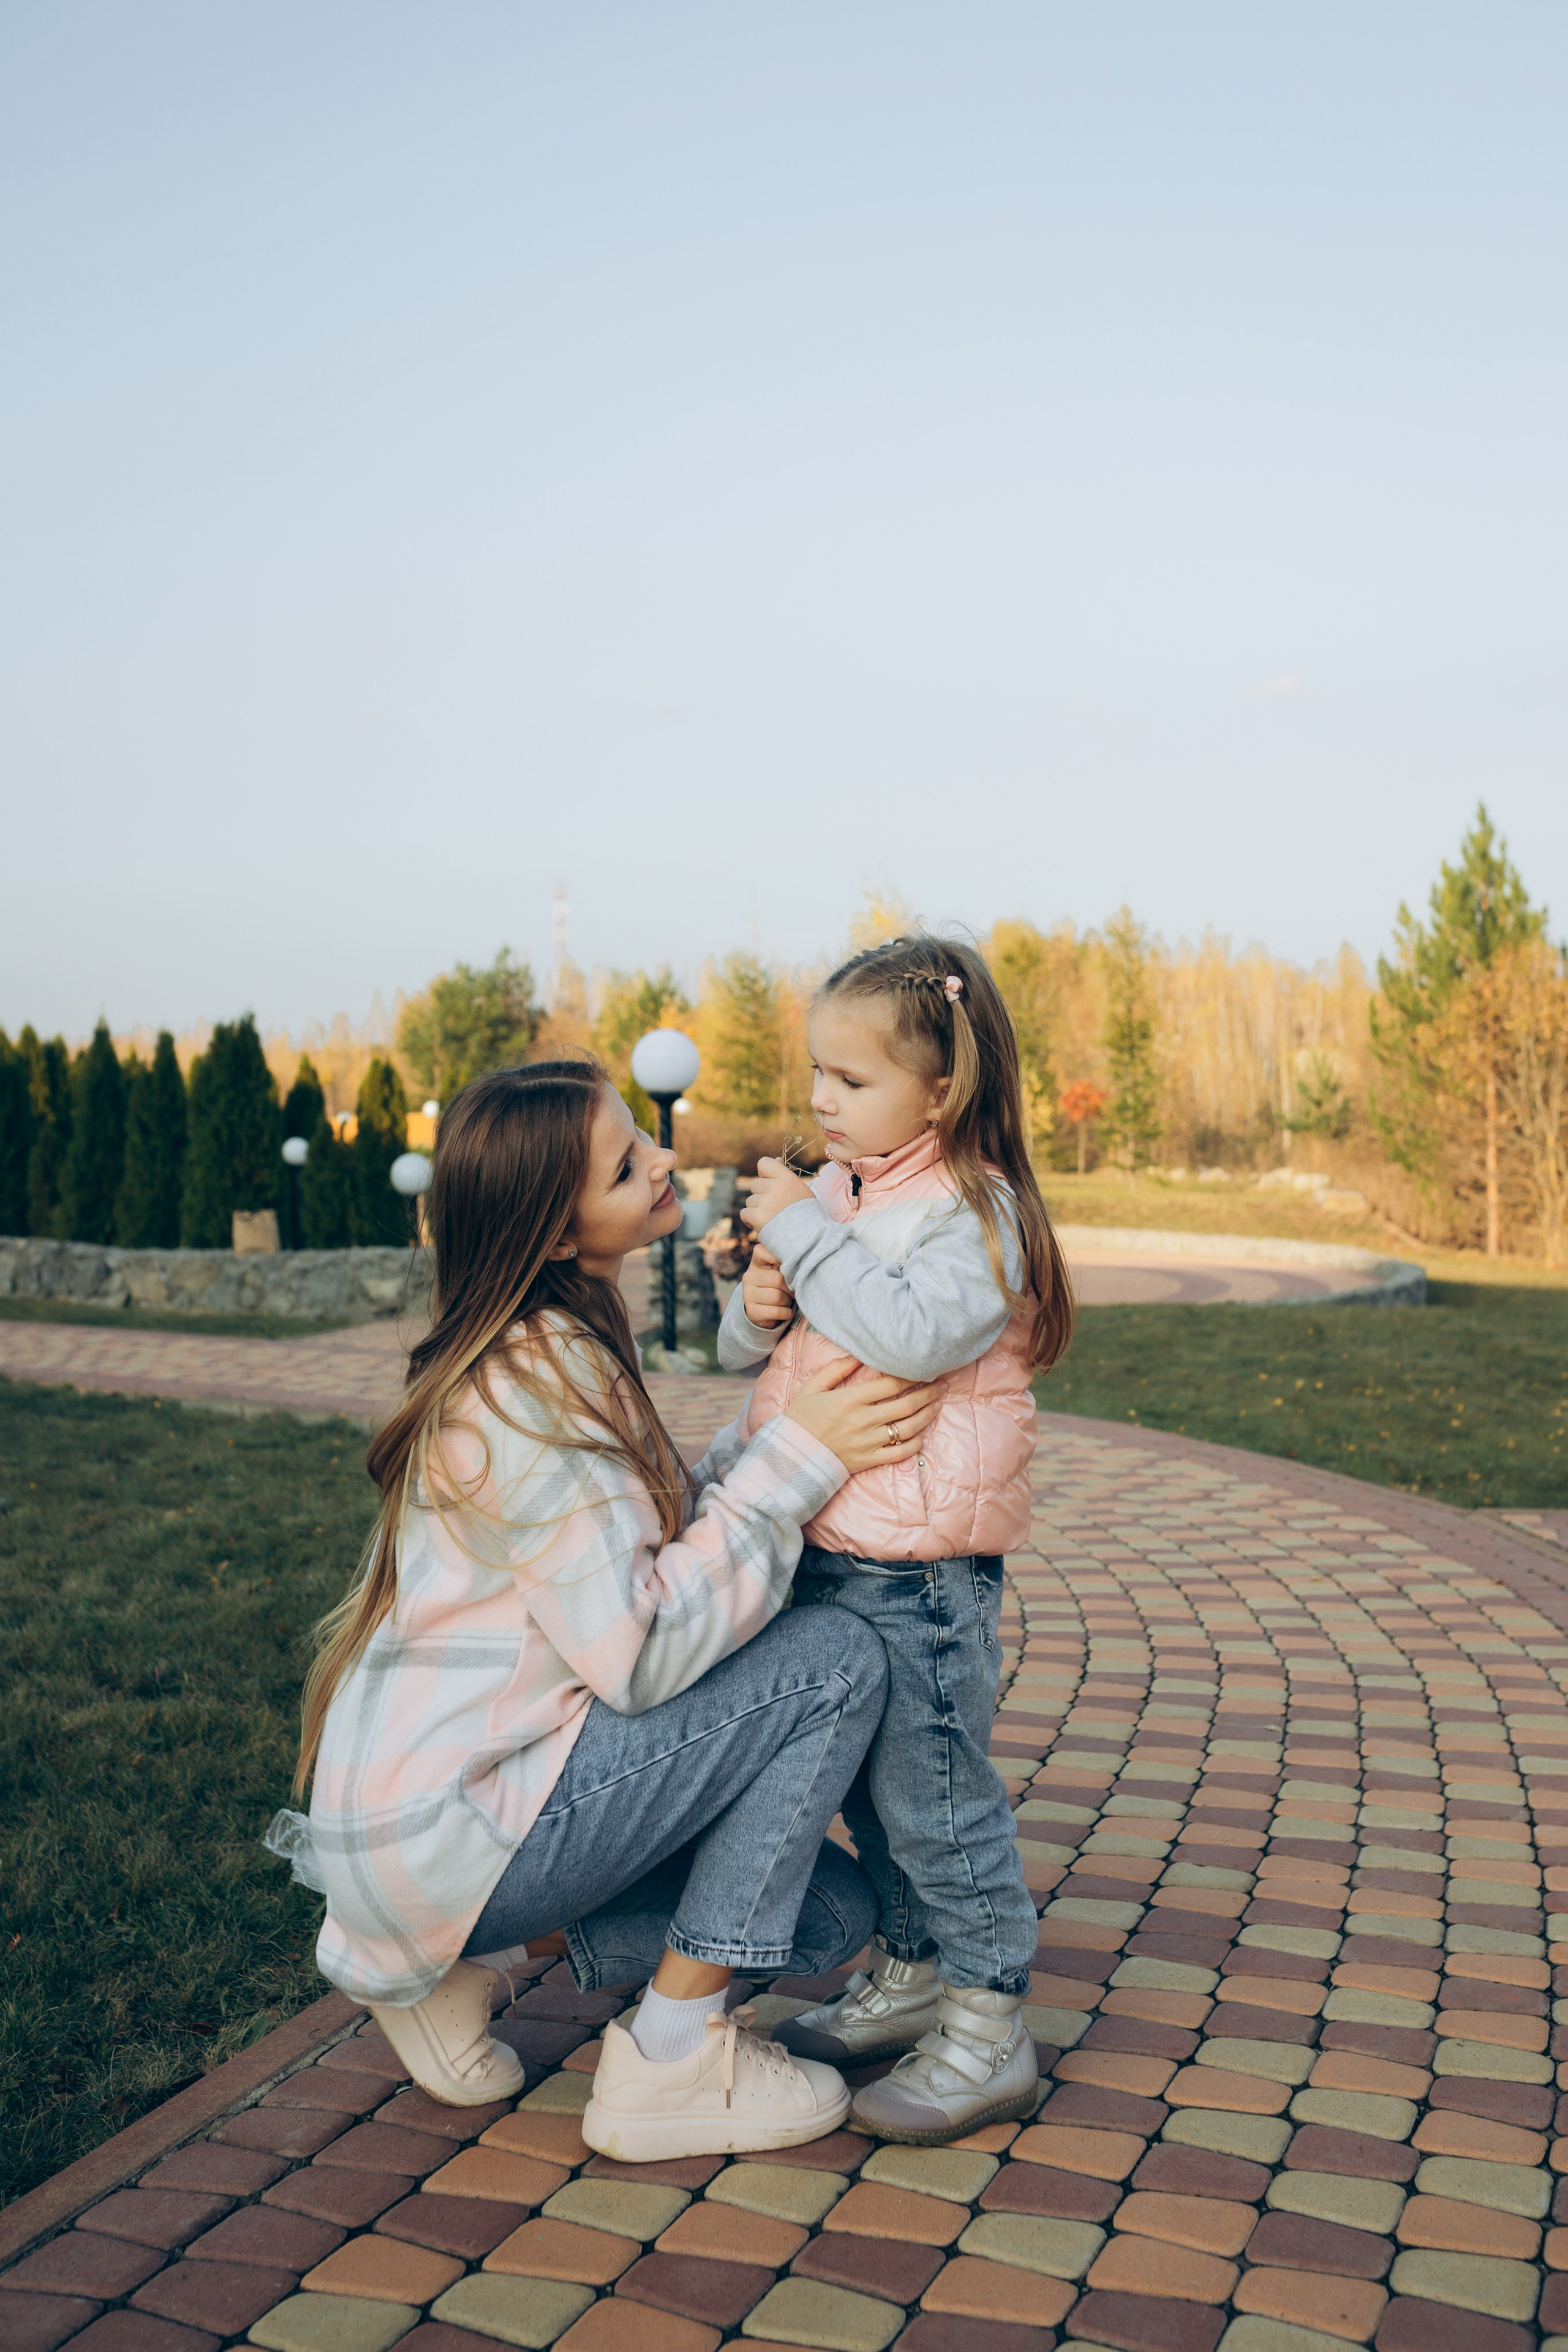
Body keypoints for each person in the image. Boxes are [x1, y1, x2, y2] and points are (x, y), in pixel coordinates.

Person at [267, 1059, 941, 2163]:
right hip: (455, 1821)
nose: (665, 1158)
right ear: (553, 1232)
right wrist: (802, 1459)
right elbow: (635, 1654)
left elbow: (656, 1534)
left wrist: (778, 1443)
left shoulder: (557, 1342)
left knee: (828, 1918)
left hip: (450, 1824)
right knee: (835, 1664)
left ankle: (459, 1973)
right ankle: (669, 2064)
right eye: (629, 1163)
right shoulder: (529, 1392)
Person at [718, 936, 1074, 2143]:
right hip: (832, 1540)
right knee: (872, 1790)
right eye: (815, 1074)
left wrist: (808, 1249)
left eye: (851, 1080)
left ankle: (989, 2027)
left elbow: (913, 1337)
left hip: (917, 1570)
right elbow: (743, 1350)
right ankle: (913, 1978)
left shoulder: (970, 1213)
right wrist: (757, 1298)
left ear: (942, 1090)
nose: (822, 1100)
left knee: (934, 1796)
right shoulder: (844, 1191)